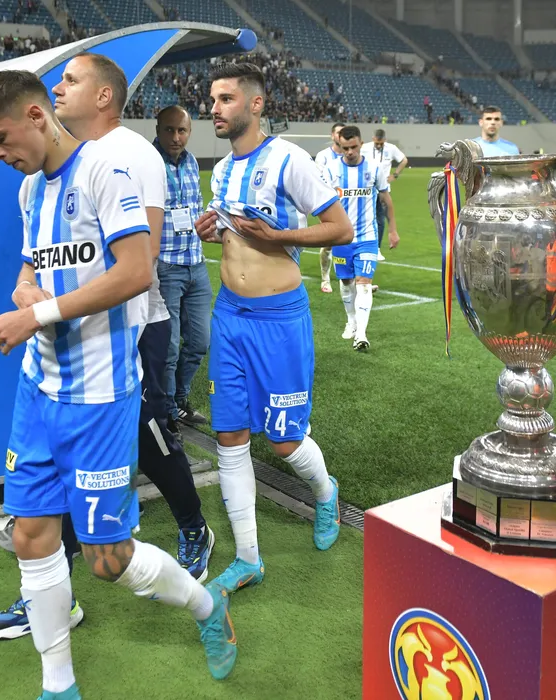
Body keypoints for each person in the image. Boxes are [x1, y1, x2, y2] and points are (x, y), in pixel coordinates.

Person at [0, 70, 237, 698]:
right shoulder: (30, 190)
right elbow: (30, 268)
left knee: (107, 560)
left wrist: (38, 313)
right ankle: (58, 686)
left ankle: (207, 606)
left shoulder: (103, 174)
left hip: (100, 395)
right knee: (32, 536)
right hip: (38, 389)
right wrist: (26, 294)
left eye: (0, 138)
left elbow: (137, 271)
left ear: (36, 116)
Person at [194, 62, 353, 593]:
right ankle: (248, 559)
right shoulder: (221, 170)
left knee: (285, 441)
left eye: (225, 99)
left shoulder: (289, 159)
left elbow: (340, 228)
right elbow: (235, 235)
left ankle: (325, 492)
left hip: (278, 320)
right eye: (212, 100)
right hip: (229, 316)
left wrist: (279, 235)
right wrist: (214, 232)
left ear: (255, 104)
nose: (214, 109)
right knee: (230, 435)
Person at [153, 105, 211, 432]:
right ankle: (167, 412)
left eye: (182, 130)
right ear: (158, 130)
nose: (176, 137)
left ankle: (180, 399)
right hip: (166, 266)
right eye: (169, 130)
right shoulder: (148, 163)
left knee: (200, 341)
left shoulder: (191, 162)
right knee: (169, 347)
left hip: (196, 263)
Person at [320, 125, 399, 351]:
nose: (350, 152)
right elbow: (323, 203)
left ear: (361, 144)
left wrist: (392, 230)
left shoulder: (374, 168)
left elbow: (386, 199)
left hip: (367, 237)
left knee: (364, 285)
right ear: (340, 145)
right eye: (345, 148)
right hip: (342, 238)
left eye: (354, 147)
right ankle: (351, 321)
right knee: (346, 283)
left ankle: (361, 335)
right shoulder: (331, 170)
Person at [360, 129, 407, 261]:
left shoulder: (391, 149)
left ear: (385, 140)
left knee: (380, 219)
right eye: (377, 143)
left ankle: (377, 249)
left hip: (383, 189)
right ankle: (362, 246)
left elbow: (404, 160)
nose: (379, 145)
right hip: (367, 189)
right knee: (366, 218)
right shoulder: (364, 148)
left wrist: (395, 175)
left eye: (381, 143)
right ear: (373, 139)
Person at [315, 122, 345, 294]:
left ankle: (359, 281)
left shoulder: (351, 154)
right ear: (332, 135)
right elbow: (318, 180)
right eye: (338, 133)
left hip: (350, 203)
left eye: (343, 132)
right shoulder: (323, 156)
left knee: (353, 242)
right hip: (330, 204)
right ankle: (325, 279)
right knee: (328, 244)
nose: (340, 136)